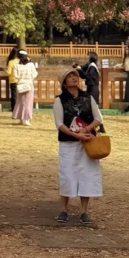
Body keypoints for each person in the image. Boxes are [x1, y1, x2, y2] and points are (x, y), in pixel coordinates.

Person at [53, 68, 105, 225]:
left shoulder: (87, 97)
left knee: (86, 174)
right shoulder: (59, 100)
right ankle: (64, 209)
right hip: (68, 143)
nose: (74, 78)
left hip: (87, 142)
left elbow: (98, 118)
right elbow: (59, 124)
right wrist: (76, 135)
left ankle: (84, 211)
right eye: (70, 77)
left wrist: (86, 130)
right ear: (64, 83)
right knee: (67, 174)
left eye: (75, 75)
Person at [12, 50, 38, 125]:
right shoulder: (31, 65)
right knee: (28, 103)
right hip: (29, 85)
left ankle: (21, 119)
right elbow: (34, 74)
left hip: (20, 85)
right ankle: (26, 119)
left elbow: (16, 76)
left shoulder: (16, 66)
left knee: (20, 102)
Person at [5, 47, 20, 113]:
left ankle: (14, 110)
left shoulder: (11, 62)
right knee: (20, 96)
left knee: (14, 96)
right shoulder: (20, 61)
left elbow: (9, 72)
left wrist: (4, 70)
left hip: (13, 80)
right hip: (20, 80)